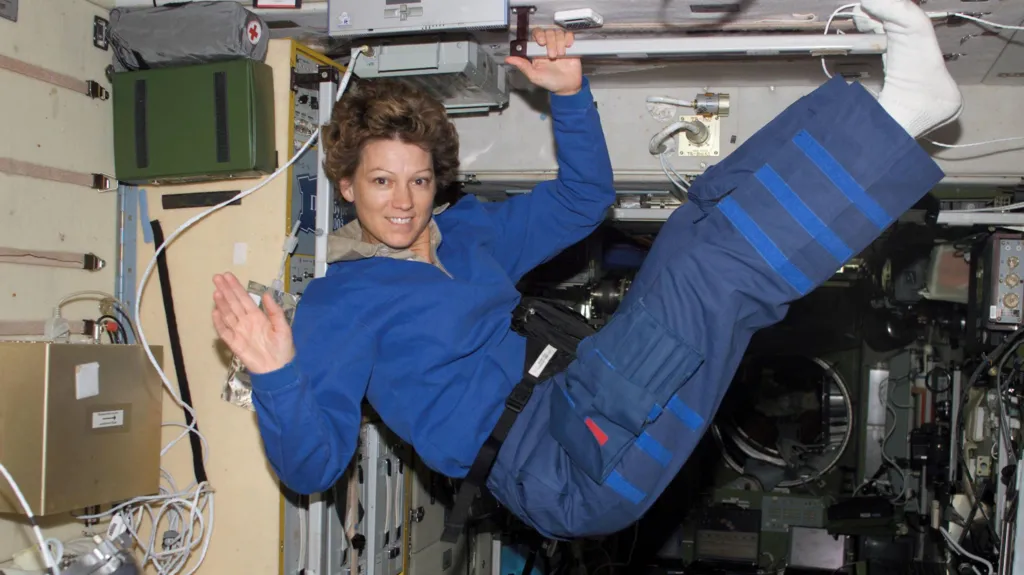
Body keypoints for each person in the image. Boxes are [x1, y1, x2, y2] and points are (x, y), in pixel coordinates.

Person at [212, 0, 962, 540]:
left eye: (418, 179)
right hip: (562, 470)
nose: (405, 203)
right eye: (380, 182)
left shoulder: (467, 233)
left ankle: (890, 106)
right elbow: (313, 466)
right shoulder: (341, 302)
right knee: (710, 276)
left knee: (697, 221)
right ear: (345, 185)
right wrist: (277, 374)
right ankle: (904, 108)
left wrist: (568, 95)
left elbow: (583, 200)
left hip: (574, 401)